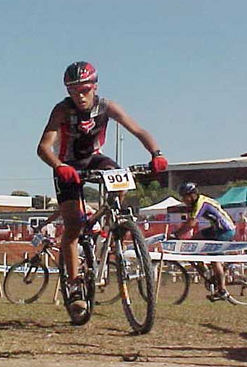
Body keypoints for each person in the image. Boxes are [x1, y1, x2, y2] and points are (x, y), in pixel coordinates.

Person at [37, 61, 168, 311]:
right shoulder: (62, 110)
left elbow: (137, 129)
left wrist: (156, 153)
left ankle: (115, 220)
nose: (80, 95)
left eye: (85, 89)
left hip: (95, 157)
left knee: (120, 174)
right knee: (73, 226)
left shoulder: (107, 106)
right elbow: (43, 147)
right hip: (67, 164)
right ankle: (74, 284)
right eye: (73, 91)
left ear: (94, 87)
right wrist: (59, 166)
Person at [171, 182, 236, 301]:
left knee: (214, 259)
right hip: (217, 229)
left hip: (224, 231)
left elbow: (192, 223)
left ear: (191, 195)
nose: (183, 200)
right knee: (194, 241)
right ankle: (206, 272)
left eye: (184, 197)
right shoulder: (195, 203)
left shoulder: (201, 203)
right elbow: (189, 222)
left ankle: (222, 290)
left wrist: (175, 235)